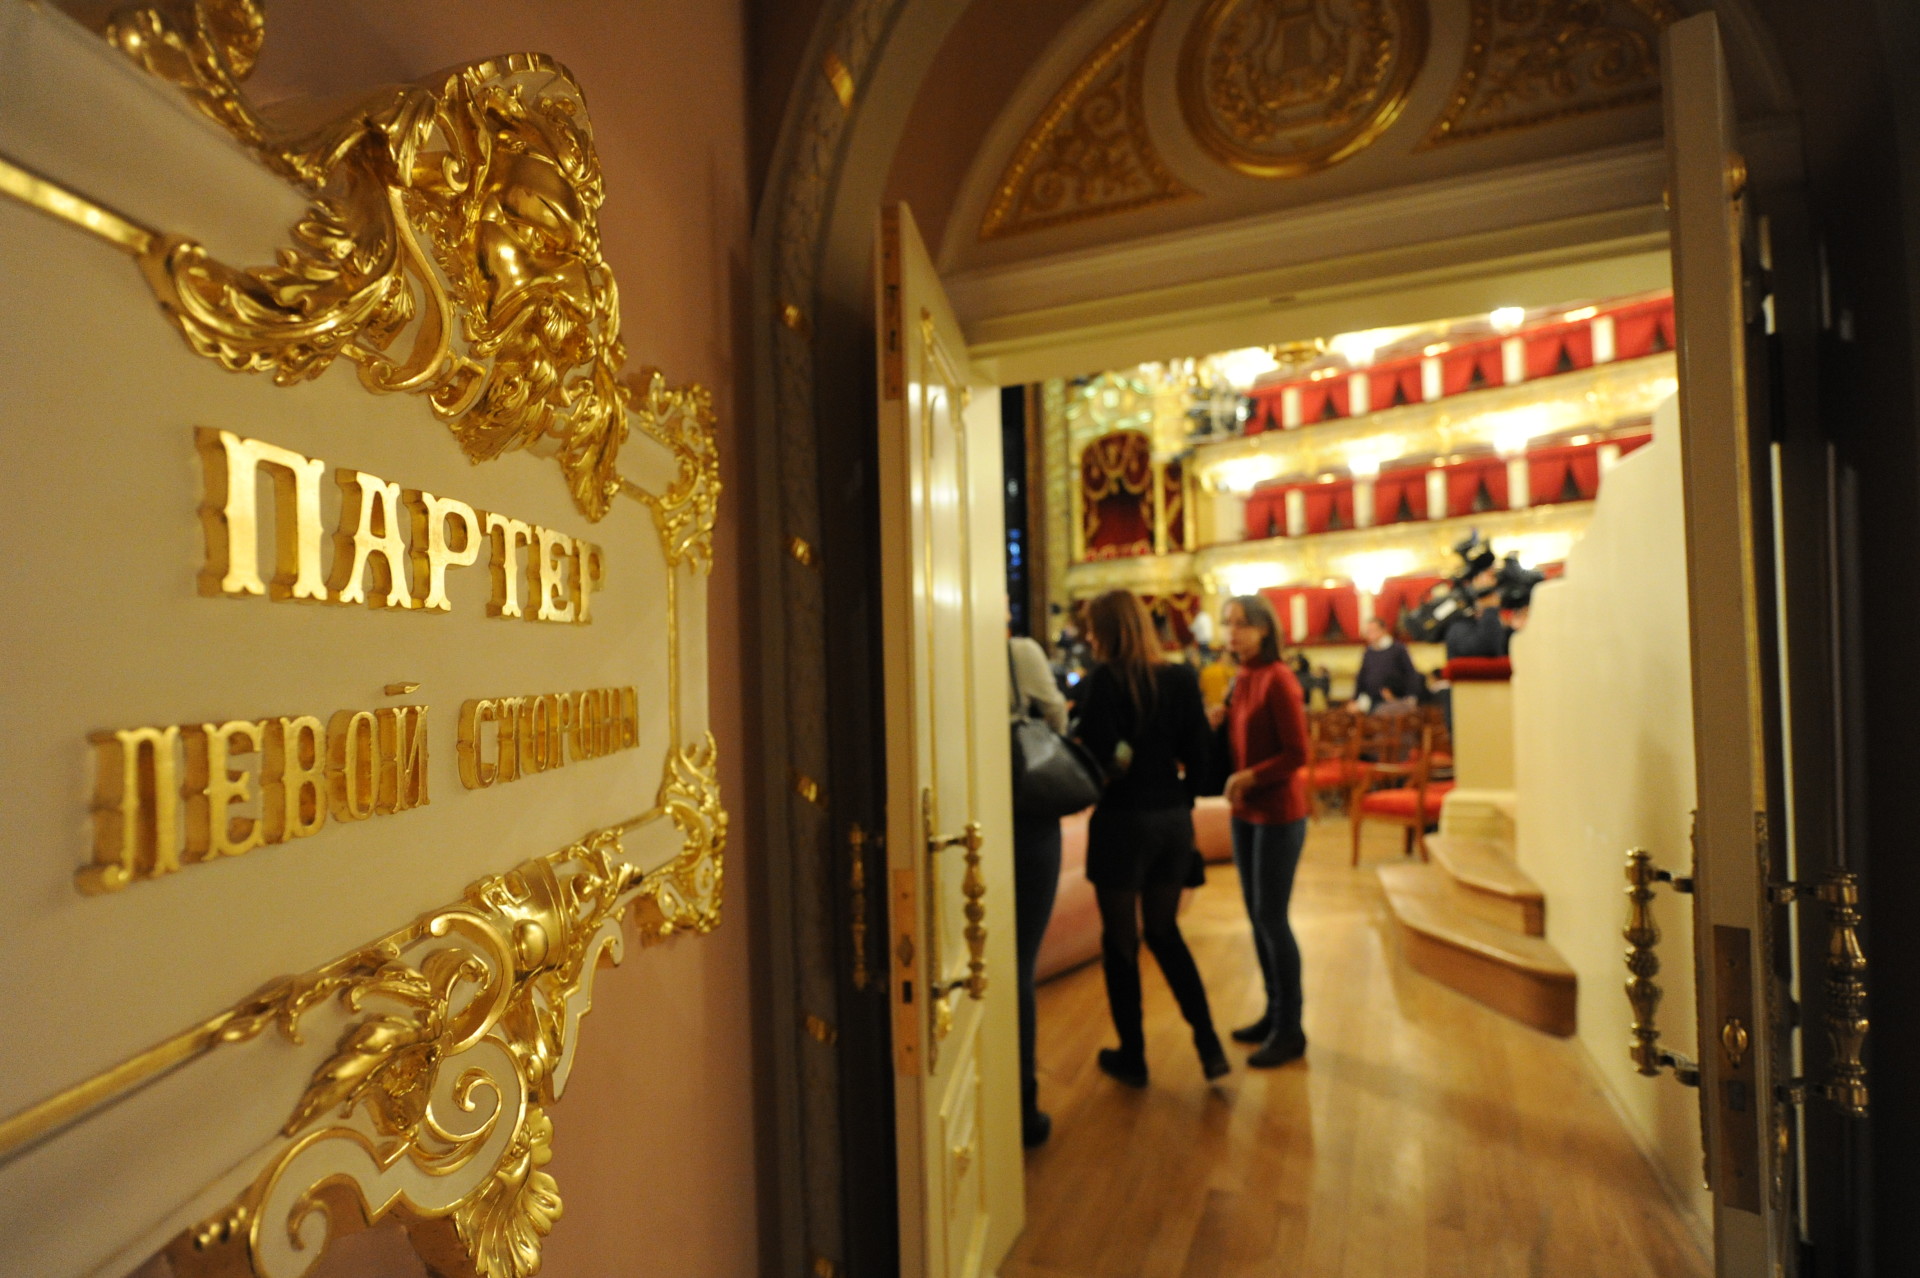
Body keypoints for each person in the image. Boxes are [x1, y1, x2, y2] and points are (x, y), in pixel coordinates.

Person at [1074, 589, 1229, 1088]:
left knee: (1121, 943)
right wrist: (1178, 795)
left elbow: (1107, 755)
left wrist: (1124, 763)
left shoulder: (1103, 681)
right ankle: (1208, 1044)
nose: (1089, 637)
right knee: (1164, 933)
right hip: (1172, 821)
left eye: (1092, 628)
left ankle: (1134, 1057)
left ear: (1107, 630)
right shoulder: (1181, 678)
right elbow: (1202, 755)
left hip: (1123, 821)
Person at [1220, 594, 1313, 1067]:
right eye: (1227, 624)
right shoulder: (1241, 678)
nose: (1231, 633)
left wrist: (1251, 776)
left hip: (1279, 813)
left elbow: (1298, 753)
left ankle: (1291, 1029)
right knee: (1257, 917)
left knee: (1273, 918)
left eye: (1241, 624)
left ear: (1263, 629)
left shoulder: (1278, 679)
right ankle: (1273, 1014)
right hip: (1246, 813)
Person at [1007, 628, 1067, 1148]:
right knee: (1017, 964)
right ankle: (1021, 1106)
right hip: (1027, 821)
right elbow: (1057, 716)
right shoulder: (1018, 652)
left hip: (967, 813)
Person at [1353, 614, 1421, 711]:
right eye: (1368, 631)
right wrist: (1355, 698)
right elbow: (1362, 676)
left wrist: (1410, 695)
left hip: (1395, 698)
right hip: (1371, 700)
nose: (1369, 634)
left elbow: (1410, 673)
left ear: (1383, 630)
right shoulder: (1368, 652)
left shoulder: (1398, 649)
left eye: (1372, 631)